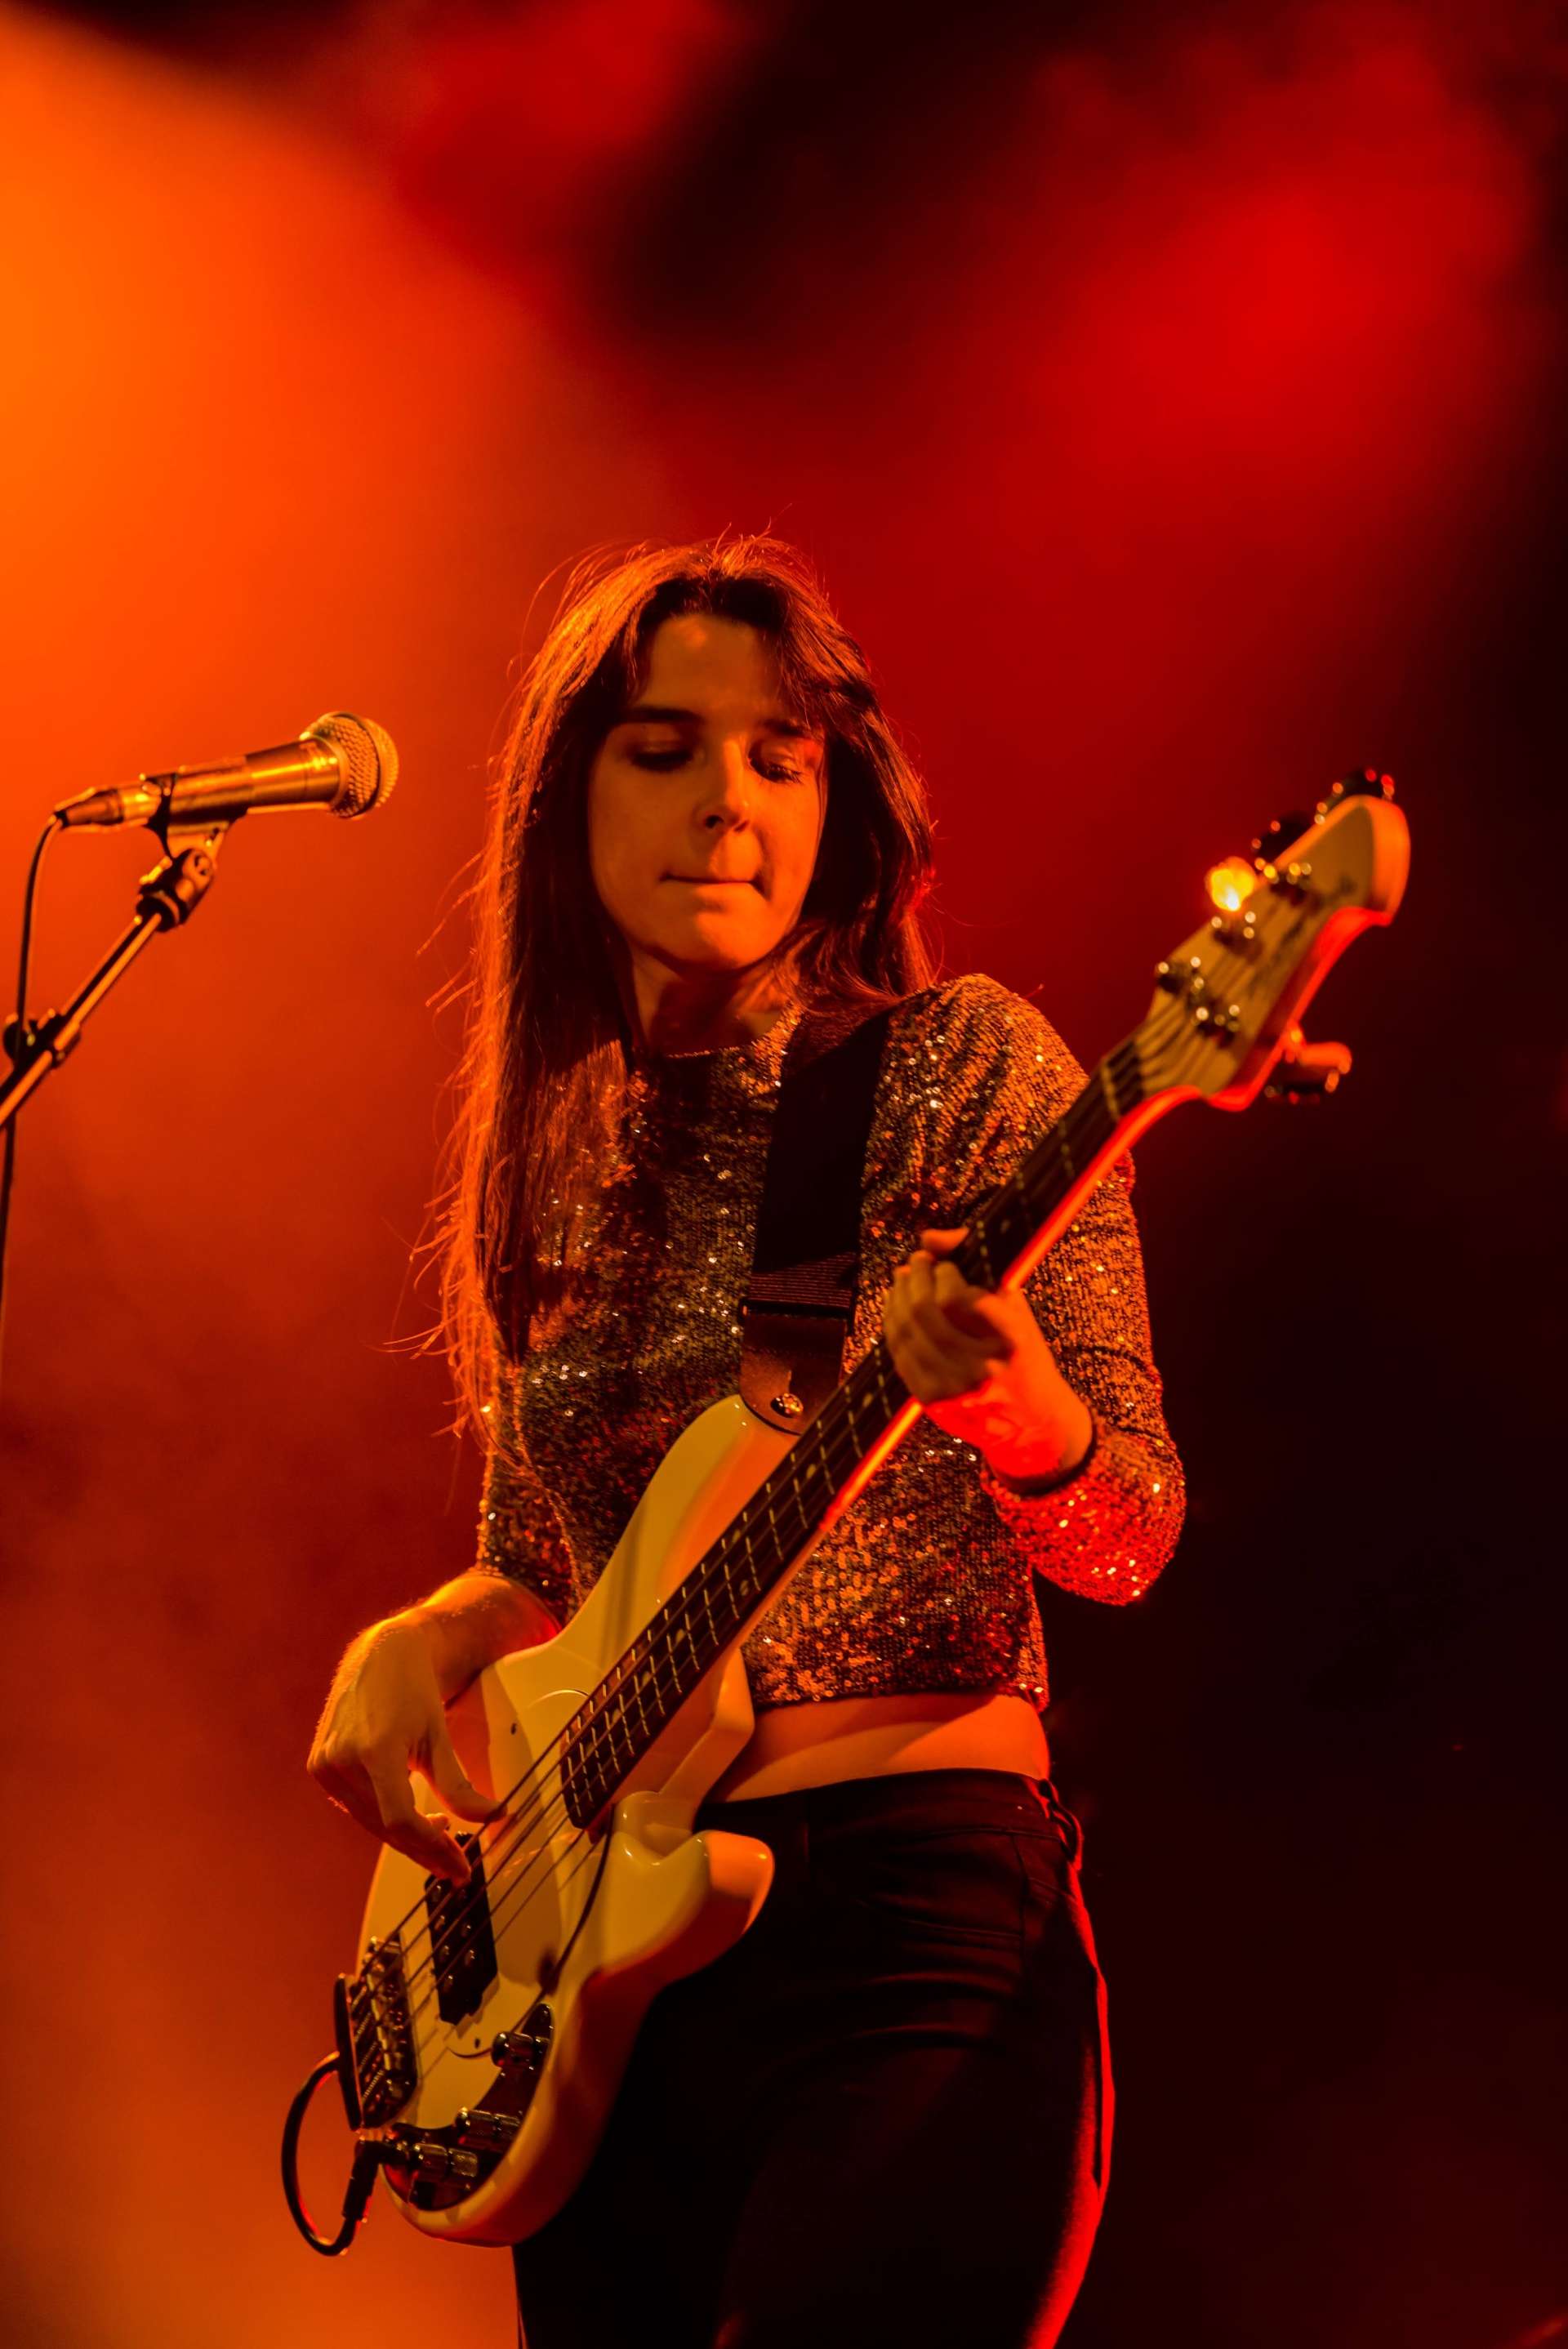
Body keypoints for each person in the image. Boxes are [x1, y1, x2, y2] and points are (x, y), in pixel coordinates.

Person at [309, 535, 1185, 2347]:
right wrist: (425, 1638)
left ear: (839, 798)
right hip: (605, 1981)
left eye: (782, 755)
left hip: (909, 1922)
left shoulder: (960, 1067)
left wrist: (1015, 1407)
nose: (731, 801)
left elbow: (1128, 1534)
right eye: (666, 747)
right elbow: (551, 1564)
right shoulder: (552, 1151)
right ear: (565, 800)